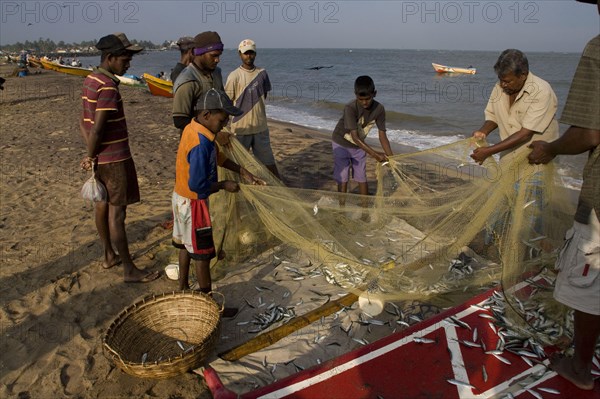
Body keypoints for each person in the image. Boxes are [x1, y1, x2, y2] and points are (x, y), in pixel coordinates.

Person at [528, 1, 599, 390]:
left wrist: (550, 149)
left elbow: (589, 132)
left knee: (588, 286)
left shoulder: (599, 48)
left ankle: (581, 368)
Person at [172, 88, 265, 315]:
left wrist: (243, 171)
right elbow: (198, 185)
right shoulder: (201, 143)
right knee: (202, 256)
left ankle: (183, 286)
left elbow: (219, 157)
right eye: (222, 120)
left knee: (185, 244)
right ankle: (210, 305)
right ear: (206, 115)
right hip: (194, 204)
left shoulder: (194, 128)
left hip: (180, 198)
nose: (224, 126)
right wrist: (224, 186)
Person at [79, 32, 159, 283]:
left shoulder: (90, 79)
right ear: (110, 57)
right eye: (125, 58)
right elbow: (99, 127)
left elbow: (84, 123)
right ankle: (129, 269)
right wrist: (90, 155)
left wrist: (92, 155)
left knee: (101, 205)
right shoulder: (108, 86)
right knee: (117, 214)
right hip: (115, 159)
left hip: (102, 158)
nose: (129, 63)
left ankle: (108, 255)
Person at [470, 49, 559, 165]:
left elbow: (525, 134)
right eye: (500, 80)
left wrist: (488, 151)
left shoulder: (541, 91)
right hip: (509, 153)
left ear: (523, 75)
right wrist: (483, 131)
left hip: (536, 158)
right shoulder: (500, 87)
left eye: (507, 81)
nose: (502, 85)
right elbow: (493, 116)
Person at [225, 39, 280, 178]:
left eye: (251, 53)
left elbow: (264, 95)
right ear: (240, 54)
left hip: (260, 128)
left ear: (255, 54)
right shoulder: (234, 76)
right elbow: (228, 103)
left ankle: (279, 188)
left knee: (268, 163)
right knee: (238, 164)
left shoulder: (262, 73)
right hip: (240, 129)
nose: (248, 56)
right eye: (245, 53)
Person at [331, 75, 392, 200]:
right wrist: (376, 155)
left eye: (368, 99)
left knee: (362, 177)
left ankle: (365, 210)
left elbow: (382, 135)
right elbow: (355, 137)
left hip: (359, 146)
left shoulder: (379, 109)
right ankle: (341, 209)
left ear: (374, 94)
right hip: (341, 143)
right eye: (360, 99)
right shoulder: (350, 108)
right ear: (355, 95)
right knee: (343, 178)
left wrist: (391, 158)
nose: (364, 102)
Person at [172, 31, 230, 146]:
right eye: (213, 55)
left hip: (214, 140)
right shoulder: (187, 80)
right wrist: (214, 134)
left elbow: (222, 101)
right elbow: (179, 120)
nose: (217, 60)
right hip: (195, 143)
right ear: (199, 53)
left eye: (219, 55)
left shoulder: (216, 73)